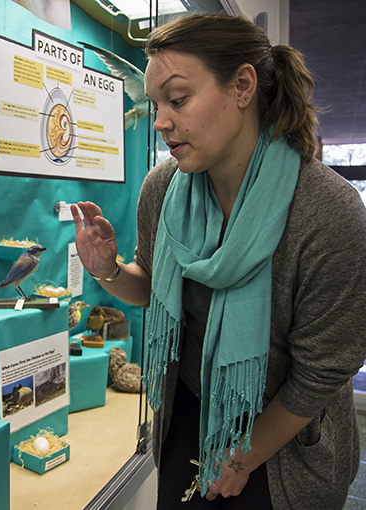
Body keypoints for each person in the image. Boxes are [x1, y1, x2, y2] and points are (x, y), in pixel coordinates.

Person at [71, 13, 366, 510]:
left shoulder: (326, 212)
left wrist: (240, 460)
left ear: (243, 86)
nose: (161, 120)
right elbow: (154, 288)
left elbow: (321, 372)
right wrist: (108, 270)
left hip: (285, 440)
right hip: (188, 415)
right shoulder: (163, 188)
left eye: (178, 99)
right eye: (155, 104)